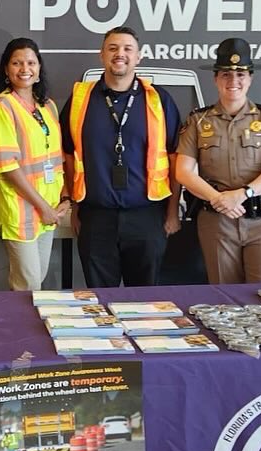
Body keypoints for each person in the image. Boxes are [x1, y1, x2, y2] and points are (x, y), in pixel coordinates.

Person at [60, 26, 181, 288]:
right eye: (113, 48)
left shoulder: (160, 100)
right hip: (96, 217)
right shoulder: (80, 100)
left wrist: (172, 213)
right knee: (101, 303)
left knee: (147, 304)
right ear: (101, 55)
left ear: (139, 57)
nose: (120, 54)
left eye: (128, 49)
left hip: (148, 217)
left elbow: (175, 159)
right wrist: (75, 208)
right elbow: (68, 156)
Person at [174, 38, 261, 284]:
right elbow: (183, 171)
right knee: (224, 299)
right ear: (216, 79)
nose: (233, 81)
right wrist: (218, 199)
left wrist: (243, 194)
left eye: (240, 74)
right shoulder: (198, 120)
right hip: (218, 221)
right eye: (226, 74)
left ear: (250, 78)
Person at [0, 39, 68, 290]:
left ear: (39, 67)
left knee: (36, 280)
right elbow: (7, 167)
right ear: (6, 70)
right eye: (17, 63)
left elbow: (56, 158)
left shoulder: (47, 106)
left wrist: (62, 197)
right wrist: (43, 207)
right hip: (19, 209)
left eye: (31, 62)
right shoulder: (2, 107)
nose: (25, 68)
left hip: (48, 208)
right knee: (27, 284)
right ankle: (19, 330)